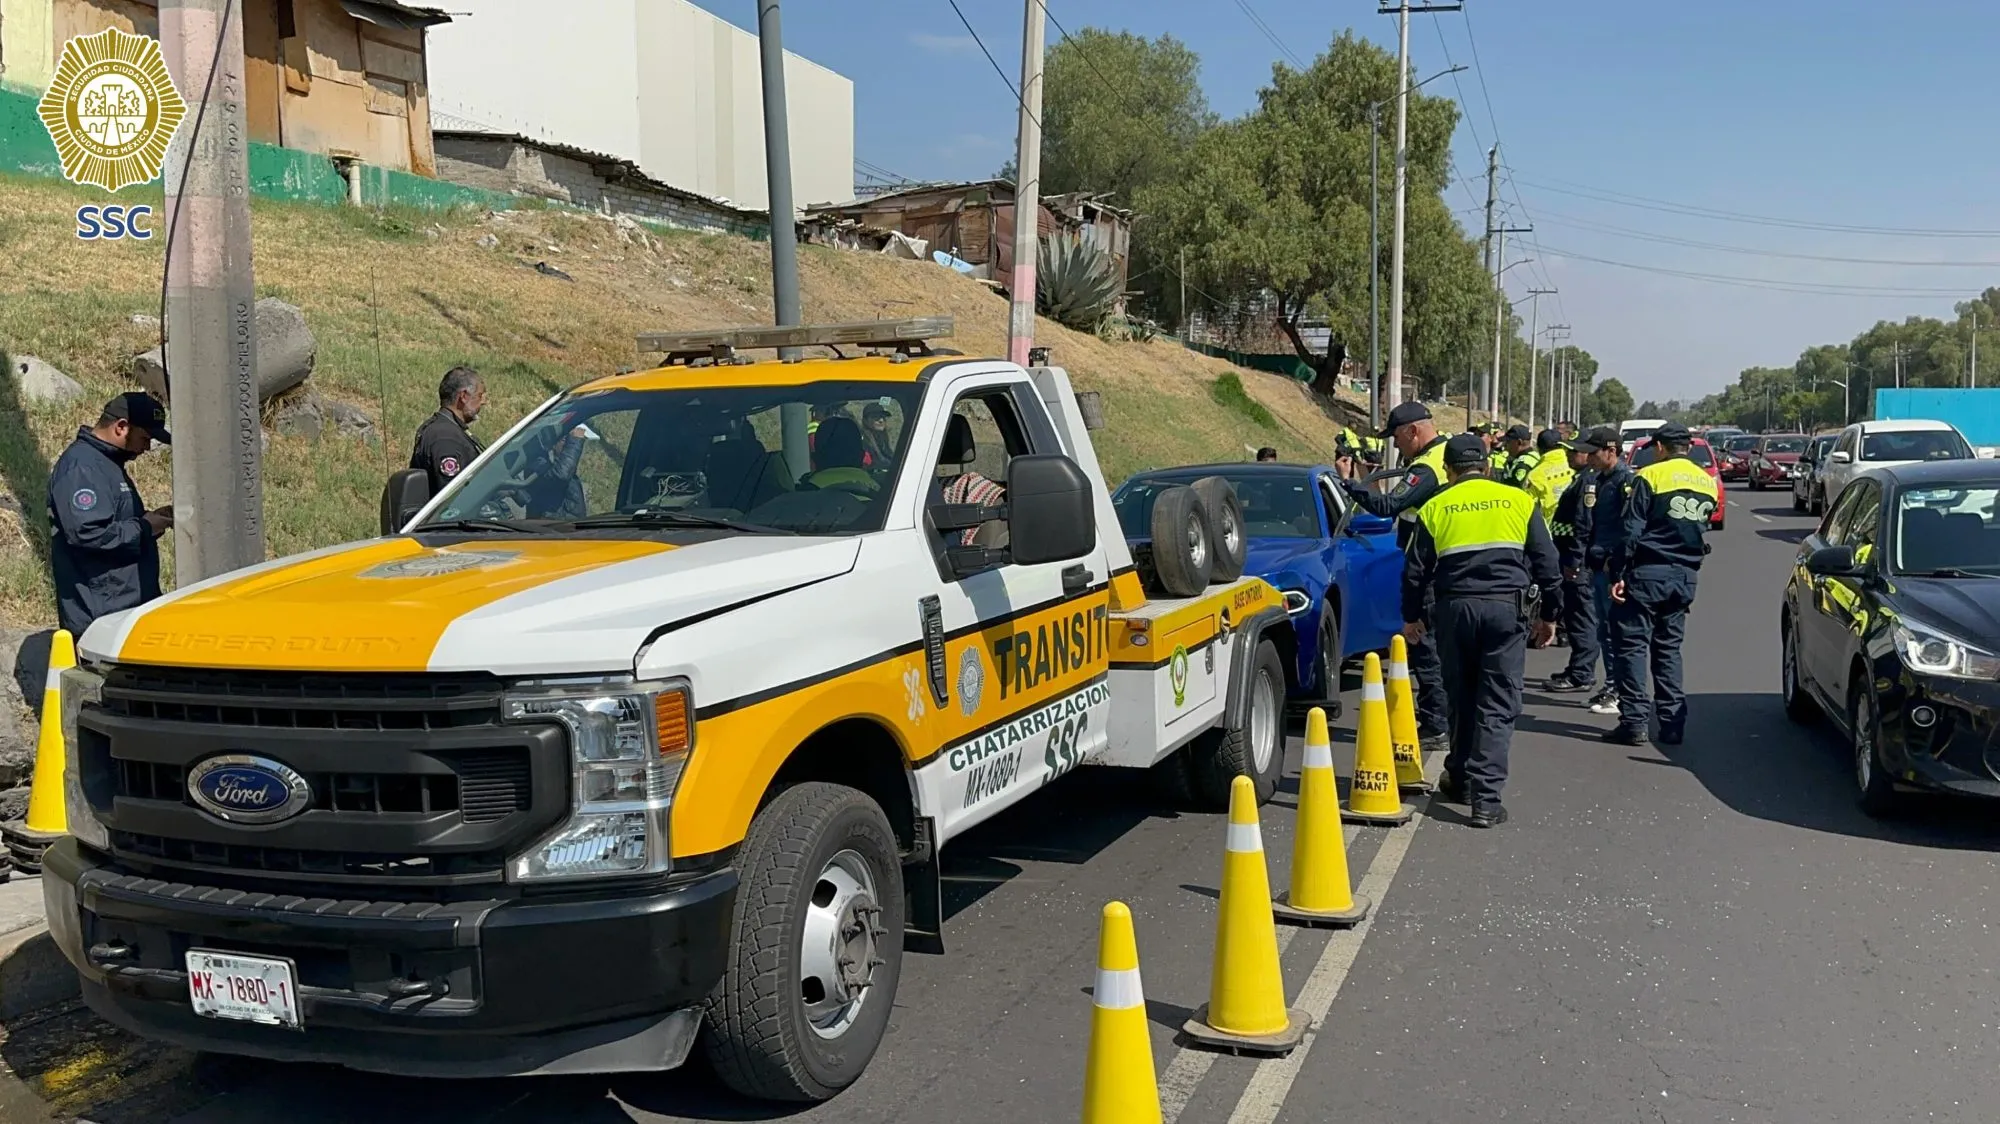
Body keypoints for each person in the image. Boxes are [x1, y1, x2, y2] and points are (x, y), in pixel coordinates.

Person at [1402, 434, 1562, 827]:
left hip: (1454, 609)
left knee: (1461, 694)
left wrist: (1411, 617)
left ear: (1449, 470)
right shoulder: (1519, 501)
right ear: (1487, 467)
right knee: (1497, 702)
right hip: (1506, 610)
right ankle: (1485, 801)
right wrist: (1550, 616)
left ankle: (1459, 776)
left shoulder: (1436, 505)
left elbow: (1414, 571)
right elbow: (1547, 562)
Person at [1342, 401, 1452, 751]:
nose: (1396, 447)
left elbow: (1390, 507)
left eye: (1397, 439)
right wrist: (1365, 480)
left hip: (1429, 569)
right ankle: (1443, 719)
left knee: (1424, 644)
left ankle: (1436, 725)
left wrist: (1348, 483)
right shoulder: (1448, 455)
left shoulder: (1428, 466)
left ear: (1413, 431)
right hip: (1445, 565)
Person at [1603, 422, 1717, 746]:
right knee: (1668, 650)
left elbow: (1631, 531)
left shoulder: (1650, 477)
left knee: (1632, 648)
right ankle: (1671, 724)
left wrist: (1618, 574)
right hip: (1685, 576)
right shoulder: (1706, 481)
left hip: (1647, 574)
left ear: (1661, 447)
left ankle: (1634, 723)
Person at [48, 392, 173, 638]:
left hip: (122, 611)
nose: (147, 448)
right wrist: (145, 527)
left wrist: (152, 521)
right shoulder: (82, 467)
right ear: (121, 427)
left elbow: (116, 524)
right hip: (101, 619)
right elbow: (89, 533)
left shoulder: (107, 464)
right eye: (145, 438)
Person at [1576, 427, 1634, 717]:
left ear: (1611, 451)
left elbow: (1629, 529)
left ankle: (1619, 689)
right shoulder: (1600, 480)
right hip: (1599, 565)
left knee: (1615, 632)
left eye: (1593, 452)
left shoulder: (1626, 482)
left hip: (1614, 570)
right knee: (1604, 631)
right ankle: (1613, 684)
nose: (1588, 458)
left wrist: (1617, 567)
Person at [1541, 439, 1603, 690]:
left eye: (1573, 451)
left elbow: (1583, 525)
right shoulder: (1581, 477)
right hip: (1567, 555)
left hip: (1576, 561)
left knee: (1581, 617)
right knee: (1575, 614)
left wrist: (1575, 560)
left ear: (1587, 455)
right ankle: (1577, 667)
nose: (1567, 455)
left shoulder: (1588, 482)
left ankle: (1581, 674)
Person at [411, 366, 486, 496]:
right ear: (463, 396)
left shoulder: (444, 429)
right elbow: (453, 497)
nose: (483, 402)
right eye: (480, 396)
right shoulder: (445, 438)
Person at [861, 403, 898, 469]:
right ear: (865, 421)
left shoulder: (883, 440)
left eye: (883, 417)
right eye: (875, 417)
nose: (881, 420)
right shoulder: (863, 443)